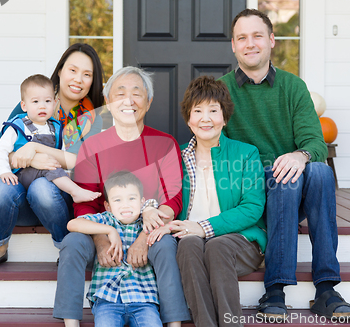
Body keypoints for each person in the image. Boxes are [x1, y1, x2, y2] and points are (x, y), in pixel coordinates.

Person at [218, 9, 350, 320]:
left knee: (318, 170)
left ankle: (326, 289)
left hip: (294, 188)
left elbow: (316, 144)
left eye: (257, 36)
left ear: (271, 40)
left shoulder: (293, 87)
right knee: (284, 177)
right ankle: (276, 287)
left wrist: (300, 155)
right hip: (249, 192)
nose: (250, 43)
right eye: (242, 37)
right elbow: (217, 149)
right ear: (233, 45)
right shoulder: (221, 90)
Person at [54, 66, 190, 327]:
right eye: (120, 93)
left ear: (148, 102)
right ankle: (70, 323)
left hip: (150, 231)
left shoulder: (165, 144)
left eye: (137, 93)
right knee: (71, 243)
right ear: (108, 102)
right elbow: (85, 205)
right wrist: (101, 239)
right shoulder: (92, 146)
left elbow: (173, 201)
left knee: (165, 246)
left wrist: (144, 237)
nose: (129, 101)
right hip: (106, 229)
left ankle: (173, 323)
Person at [147, 75, 266, 327]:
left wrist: (203, 227)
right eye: (198, 111)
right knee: (189, 245)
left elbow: (252, 207)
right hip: (190, 240)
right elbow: (159, 196)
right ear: (189, 120)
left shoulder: (246, 154)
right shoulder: (176, 156)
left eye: (213, 110)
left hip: (239, 242)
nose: (205, 118)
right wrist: (153, 211)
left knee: (216, 246)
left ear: (224, 117)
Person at [0, 43, 105, 269]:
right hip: (21, 201)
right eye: (72, 70)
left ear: (92, 82)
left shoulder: (92, 118)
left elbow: (81, 164)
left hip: (58, 201)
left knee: (41, 189)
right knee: (1, 189)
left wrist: (36, 149)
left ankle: (67, 247)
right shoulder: (33, 102)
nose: (78, 79)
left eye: (87, 75)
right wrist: (20, 156)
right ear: (60, 71)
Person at [67, 171, 162, 327]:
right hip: (107, 300)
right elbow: (72, 224)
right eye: (118, 200)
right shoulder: (105, 219)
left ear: (141, 202)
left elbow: (165, 220)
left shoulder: (147, 223)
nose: (125, 205)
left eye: (132, 198)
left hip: (144, 299)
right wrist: (109, 230)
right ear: (108, 206)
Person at [0, 74, 101, 203]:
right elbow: (0, 149)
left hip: (46, 178)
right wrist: (4, 171)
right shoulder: (17, 126)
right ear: (24, 106)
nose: (42, 106)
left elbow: (61, 153)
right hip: (22, 174)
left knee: (53, 168)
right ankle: (76, 192)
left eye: (47, 101)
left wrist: (64, 171)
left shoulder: (55, 128)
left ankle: (73, 191)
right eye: (35, 102)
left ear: (55, 103)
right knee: (51, 171)